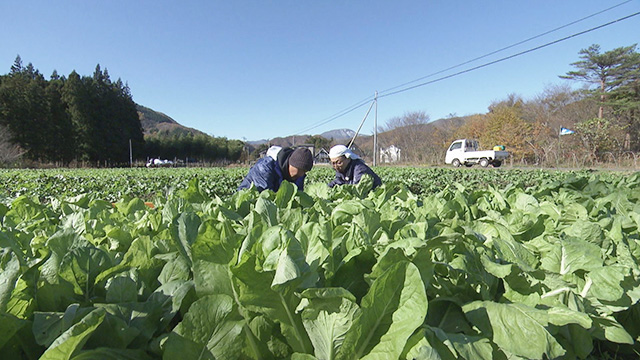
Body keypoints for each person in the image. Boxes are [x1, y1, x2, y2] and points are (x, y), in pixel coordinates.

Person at [238, 146, 314, 192]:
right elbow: (265, 199)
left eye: (304, 172)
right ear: (290, 163)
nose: (301, 175)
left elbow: (297, 195)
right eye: (295, 175)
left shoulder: (299, 175)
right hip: (248, 204)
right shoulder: (265, 168)